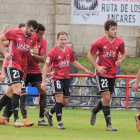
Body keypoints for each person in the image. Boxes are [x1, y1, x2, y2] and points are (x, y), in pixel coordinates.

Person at [41, 31, 93, 129]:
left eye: (65, 39)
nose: (64, 41)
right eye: (61, 39)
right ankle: (60, 122)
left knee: (64, 101)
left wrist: (85, 70)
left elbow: (74, 61)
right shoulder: (52, 51)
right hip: (56, 77)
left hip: (66, 78)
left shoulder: (69, 50)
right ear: (57, 39)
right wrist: (44, 81)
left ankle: (50, 113)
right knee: (59, 98)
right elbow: (46, 66)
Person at [87, 19, 126, 131]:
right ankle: (109, 125)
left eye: (116, 28)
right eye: (113, 29)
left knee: (107, 99)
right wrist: (97, 67)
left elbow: (124, 54)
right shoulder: (98, 42)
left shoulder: (120, 42)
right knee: (107, 97)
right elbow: (89, 55)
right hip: (101, 73)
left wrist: (120, 61)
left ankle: (94, 110)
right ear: (106, 31)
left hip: (112, 73)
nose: (115, 31)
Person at [0, 19, 38, 128]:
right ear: (26, 26)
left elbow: (31, 48)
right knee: (18, 90)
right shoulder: (14, 32)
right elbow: (1, 39)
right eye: (30, 30)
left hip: (22, 67)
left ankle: (6, 117)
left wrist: (33, 51)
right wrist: (5, 53)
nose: (32, 33)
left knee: (9, 94)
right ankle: (16, 119)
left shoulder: (33, 36)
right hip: (12, 64)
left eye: (33, 31)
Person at [25, 23, 48, 126]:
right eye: (39, 34)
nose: (41, 37)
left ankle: (41, 119)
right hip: (24, 69)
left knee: (43, 92)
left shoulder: (43, 42)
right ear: (35, 32)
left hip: (35, 71)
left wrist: (33, 54)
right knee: (15, 92)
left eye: (42, 34)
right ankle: (6, 115)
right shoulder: (28, 38)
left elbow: (43, 59)